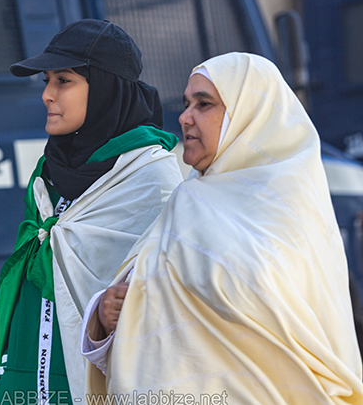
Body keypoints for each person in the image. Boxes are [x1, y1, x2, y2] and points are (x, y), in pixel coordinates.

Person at [81, 52, 363, 403]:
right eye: (187, 103)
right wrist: (105, 314)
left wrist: (154, 301)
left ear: (250, 117)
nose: (185, 117)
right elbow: (141, 301)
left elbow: (284, 325)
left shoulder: (293, 208)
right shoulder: (188, 202)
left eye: (204, 104)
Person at [0, 19, 184, 404]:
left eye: (64, 81)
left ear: (106, 88)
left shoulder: (150, 179)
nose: (47, 95)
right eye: (47, 81)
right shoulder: (50, 175)